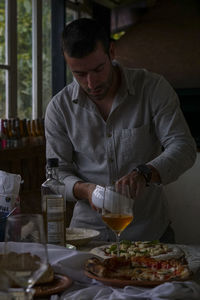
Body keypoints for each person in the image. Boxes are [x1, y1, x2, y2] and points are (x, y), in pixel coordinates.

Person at [45, 18, 196, 243]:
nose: (91, 83)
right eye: (79, 74)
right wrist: (85, 190)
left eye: (98, 69)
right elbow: (55, 177)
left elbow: (184, 147)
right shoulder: (59, 108)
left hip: (149, 235)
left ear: (112, 52)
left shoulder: (152, 88)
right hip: (87, 238)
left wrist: (146, 172)